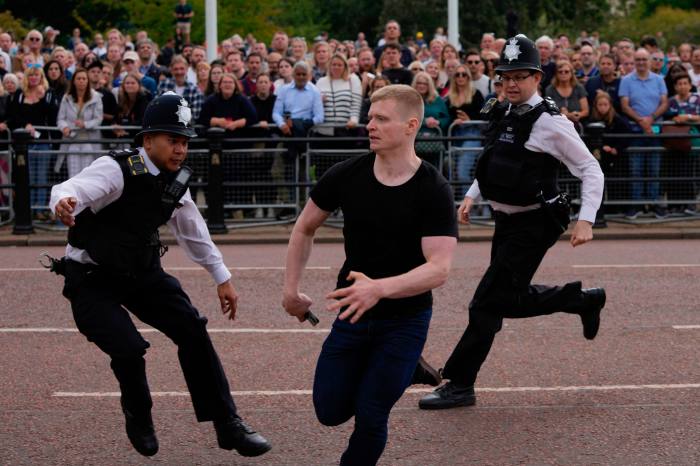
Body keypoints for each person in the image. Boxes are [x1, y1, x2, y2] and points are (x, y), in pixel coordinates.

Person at [49, 92, 271, 458]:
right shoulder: (116, 168)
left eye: (184, 142)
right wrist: (63, 202)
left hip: (142, 273)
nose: (180, 149)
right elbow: (73, 188)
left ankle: (227, 423)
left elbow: (193, 231)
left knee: (193, 330)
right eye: (172, 140)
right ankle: (139, 413)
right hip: (92, 278)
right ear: (148, 140)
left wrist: (222, 277)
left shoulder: (175, 181)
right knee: (130, 347)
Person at [418, 34, 606, 410]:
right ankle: (581, 300)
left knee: (485, 303)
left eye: (521, 76)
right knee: (507, 297)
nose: (512, 84)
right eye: (506, 77)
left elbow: (591, 169)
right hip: (505, 222)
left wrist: (586, 221)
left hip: (534, 224)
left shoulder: (552, 123)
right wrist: (472, 195)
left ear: (538, 78)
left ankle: (459, 382)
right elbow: (495, 162)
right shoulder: (503, 111)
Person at [282, 84, 457, 466]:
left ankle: (400, 365)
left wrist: (380, 289)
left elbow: (439, 269)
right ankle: (408, 368)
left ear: (412, 125)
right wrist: (290, 289)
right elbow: (304, 227)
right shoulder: (346, 174)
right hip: (352, 312)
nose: (370, 125)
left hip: (405, 320)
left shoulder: (433, 188)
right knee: (329, 411)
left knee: (371, 414)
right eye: (369, 117)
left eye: (381, 119)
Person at [619, 48, 668, 219]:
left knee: (654, 170)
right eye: (638, 59)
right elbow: (624, 105)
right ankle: (636, 205)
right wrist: (641, 121)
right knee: (636, 170)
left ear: (649, 61)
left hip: (654, 132)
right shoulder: (626, 80)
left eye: (644, 59)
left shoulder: (659, 79)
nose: (641, 62)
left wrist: (651, 119)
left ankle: (654, 205)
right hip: (635, 132)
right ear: (634, 60)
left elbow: (664, 102)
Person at [444, 64, 485, 195]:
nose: (461, 77)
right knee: (452, 172)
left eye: (464, 74)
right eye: (457, 74)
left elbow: (484, 116)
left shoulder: (476, 94)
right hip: (454, 134)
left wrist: (469, 119)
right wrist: (454, 121)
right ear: (454, 78)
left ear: (468, 77)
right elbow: (446, 117)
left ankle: (465, 206)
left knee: (463, 172)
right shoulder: (449, 97)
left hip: (472, 134)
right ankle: (458, 204)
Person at [56, 68, 104, 178]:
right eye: (78, 78)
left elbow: (98, 119)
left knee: (88, 175)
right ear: (73, 81)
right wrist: (64, 128)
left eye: (84, 78)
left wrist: (85, 124)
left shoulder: (96, 97)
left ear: (88, 81)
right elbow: (61, 119)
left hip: (89, 141)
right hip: (72, 140)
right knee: (73, 175)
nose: (81, 81)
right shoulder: (66, 97)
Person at [545, 60, 589, 132]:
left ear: (571, 73)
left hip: (576, 126)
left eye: (566, 71)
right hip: (556, 125)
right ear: (556, 74)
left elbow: (586, 111)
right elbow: (548, 110)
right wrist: (562, 114)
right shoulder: (550, 89)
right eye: (560, 72)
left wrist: (578, 114)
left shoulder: (579, 88)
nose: (563, 74)